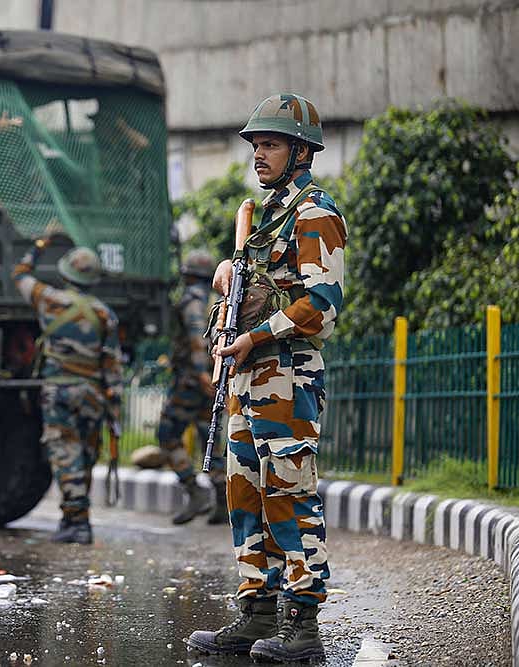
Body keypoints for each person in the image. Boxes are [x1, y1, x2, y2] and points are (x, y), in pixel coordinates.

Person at [187, 94, 347, 662]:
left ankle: (302, 626)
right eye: (255, 145)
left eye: (271, 144)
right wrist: (227, 291)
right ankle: (257, 611)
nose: (258, 154)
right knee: (245, 493)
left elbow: (323, 305)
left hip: (287, 376)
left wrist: (255, 337)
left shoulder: (314, 214)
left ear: (301, 152)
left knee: (288, 493)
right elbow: (250, 294)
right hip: (247, 379)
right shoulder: (263, 216)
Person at [12, 230, 123, 545]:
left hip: (59, 390)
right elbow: (112, 365)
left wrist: (39, 246)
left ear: (66, 274)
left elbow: (19, 274)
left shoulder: (49, 300)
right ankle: (73, 518)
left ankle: (77, 521)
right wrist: (115, 407)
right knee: (85, 454)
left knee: (65, 453)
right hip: (92, 393)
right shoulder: (105, 314)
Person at [155, 249, 227, 526]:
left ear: (187, 275)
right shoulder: (218, 300)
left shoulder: (191, 301)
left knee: (167, 433)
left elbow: (198, 338)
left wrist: (200, 374)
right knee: (210, 439)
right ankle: (222, 501)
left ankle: (194, 490)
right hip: (217, 380)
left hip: (193, 381)